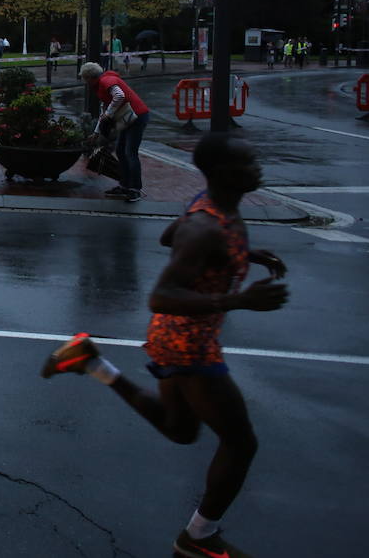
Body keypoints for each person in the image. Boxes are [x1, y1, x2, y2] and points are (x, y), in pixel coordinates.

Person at [41, 133, 287, 558]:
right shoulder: (205, 226)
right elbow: (161, 293)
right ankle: (199, 536)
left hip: (177, 337)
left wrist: (241, 256)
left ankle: (90, 362)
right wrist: (239, 298)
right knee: (242, 442)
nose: (257, 167)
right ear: (223, 173)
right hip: (189, 343)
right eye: (248, 162)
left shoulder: (212, 207)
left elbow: (167, 237)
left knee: (180, 430)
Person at [81, 61, 150, 201]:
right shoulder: (101, 85)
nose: (85, 82)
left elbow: (119, 96)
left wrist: (109, 114)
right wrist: (96, 133)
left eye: (85, 78)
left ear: (90, 77)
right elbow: (104, 111)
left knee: (130, 152)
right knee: (120, 151)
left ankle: (135, 189)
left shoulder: (107, 81)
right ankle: (125, 185)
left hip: (137, 117)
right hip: (128, 118)